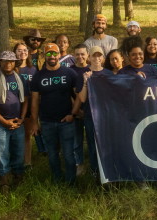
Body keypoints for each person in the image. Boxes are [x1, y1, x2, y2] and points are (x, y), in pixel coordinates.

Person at [29, 43, 82, 184]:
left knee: (69, 155)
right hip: (47, 121)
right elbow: (34, 101)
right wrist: (35, 122)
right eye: (48, 53)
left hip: (66, 121)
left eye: (54, 53)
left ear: (59, 55)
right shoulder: (38, 76)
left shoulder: (70, 73)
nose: (52, 56)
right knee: (52, 154)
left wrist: (73, 113)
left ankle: (71, 182)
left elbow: (79, 96)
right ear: (44, 56)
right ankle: (57, 180)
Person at [0, 51, 29, 193]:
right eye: (5, 61)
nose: (8, 64)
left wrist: (21, 118)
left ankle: (18, 178)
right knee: (0, 153)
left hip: (17, 122)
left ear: (15, 63)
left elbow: (25, 100)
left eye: (11, 61)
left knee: (19, 152)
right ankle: (3, 182)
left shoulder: (20, 79)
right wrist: (3, 121)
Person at [77, 46, 112, 176]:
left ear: (103, 58)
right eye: (94, 55)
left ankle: (107, 170)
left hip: (106, 116)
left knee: (107, 143)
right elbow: (82, 98)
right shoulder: (84, 74)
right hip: (90, 116)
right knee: (92, 144)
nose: (96, 58)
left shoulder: (109, 74)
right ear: (89, 58)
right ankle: (95, 171)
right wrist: (86, 82)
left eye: (99, 55)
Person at [14, 43, 38, 169]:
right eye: (19, 50)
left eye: (24, 50)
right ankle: (15, 160)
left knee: (27, 135)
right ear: (15, 52)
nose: (22, 52)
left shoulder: (32, 69)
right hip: (14, 105)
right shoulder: (11, 68)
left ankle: (27, 162)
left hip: (28, 105)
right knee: (14, 134)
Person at [70, 44, 90, 176]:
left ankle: (94, 163)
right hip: (75, 111)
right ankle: (79, 164)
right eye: (77, 54)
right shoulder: (69, 71)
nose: (80, 56)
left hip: (91, 111)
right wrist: (76, 110)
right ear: (74, 55)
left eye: (83, 54)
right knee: (76, 140)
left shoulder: (92, 70)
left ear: (87, 55)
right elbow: (68, 93)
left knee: (91, 139)